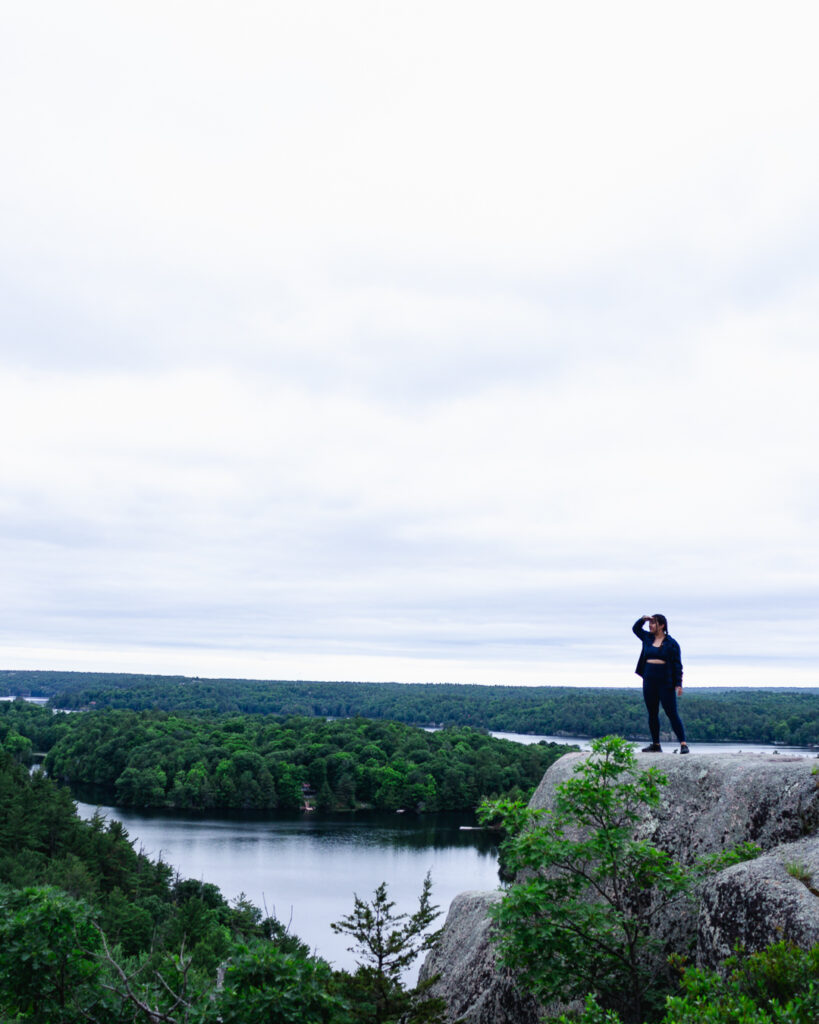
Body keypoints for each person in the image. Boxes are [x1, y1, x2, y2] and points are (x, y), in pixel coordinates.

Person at [632, 614, 688, 754]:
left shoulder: (672, 643)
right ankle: (656, 744)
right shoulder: (647, 638)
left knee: (671, 713)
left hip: (665, 682)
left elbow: (677, 665)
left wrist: (678, 684)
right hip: (649, 680)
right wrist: (643, 619)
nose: (650, 626)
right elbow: (635, 629)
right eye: (649, 623)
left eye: (653, 623)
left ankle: (683, 744)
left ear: (662, 625)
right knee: (652, 713)